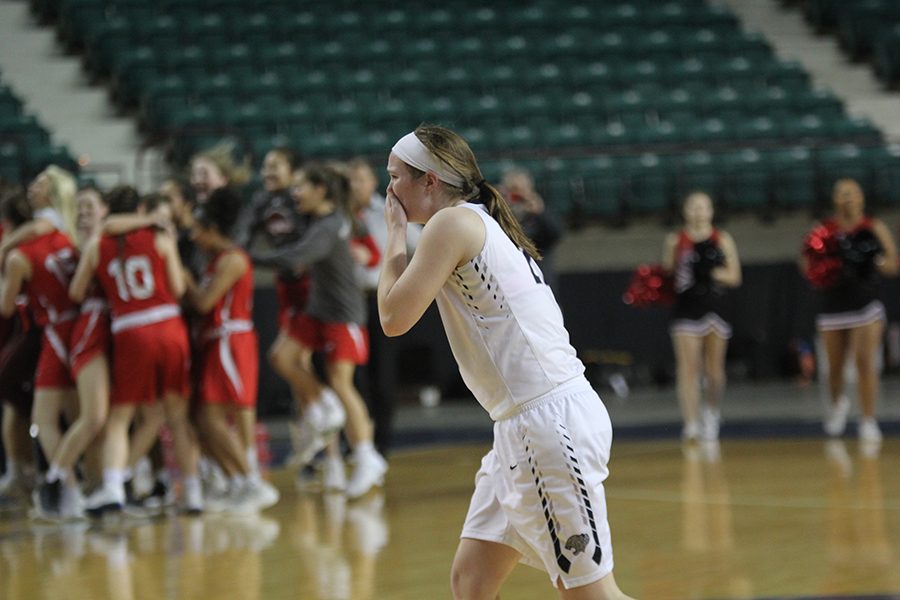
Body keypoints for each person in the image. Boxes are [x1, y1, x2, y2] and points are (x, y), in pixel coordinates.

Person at [378, 125, 635, 599]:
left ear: (430, 181)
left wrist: (393, 233)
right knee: (471, 581)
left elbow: (393, 316)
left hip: (546, 427)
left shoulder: (451, 224)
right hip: (524, 427)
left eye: (396, 177)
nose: (388, 189)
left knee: (593, 595)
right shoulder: (477, 219)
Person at [251, 163, 386, 499]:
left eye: (301, 187)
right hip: (317, 310)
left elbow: (296, 256)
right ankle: (324, 404)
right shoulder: (325, 219)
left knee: (342, 382)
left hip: (343, 314)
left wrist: (247, 256)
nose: (294, 193)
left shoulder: (330, 225)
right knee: (282, 357)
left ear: (320, 190)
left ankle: (367, 457)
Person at [69, 188, 202, 515]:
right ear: (140, 209)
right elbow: (179, 288)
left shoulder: (97, 246)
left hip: (130, 329)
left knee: (120, 418)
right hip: (169, 326)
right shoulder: (159, 237)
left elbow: (76, 292)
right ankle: (194, 493)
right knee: (177, 418)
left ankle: (112, 488)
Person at [184, 187, 279, 512]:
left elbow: (204, 302)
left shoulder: (234, 260)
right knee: (201, 419)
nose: (193, 237)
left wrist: (182, 279)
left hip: (229, 342)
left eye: (198, 230)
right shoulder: (216, 260)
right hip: (214, 341)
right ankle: (237, 482)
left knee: (211, 417)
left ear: (212, 230)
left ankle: (250, 481)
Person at [0, 190, 82, 518]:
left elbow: (6, 307)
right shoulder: (61, 235)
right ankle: (99, 484)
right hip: (84, 323)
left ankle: (68, 490)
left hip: (55, 331)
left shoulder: (19, 257)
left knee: (46, 418)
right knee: (84, 417)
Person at [800, 179, 898, 442]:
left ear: (862, 198)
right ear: (835, 200)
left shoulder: (873, 227)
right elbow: (806, 265)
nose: (849, 198)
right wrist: (829, 266)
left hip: (866, 306)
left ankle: (868, 419)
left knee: (865, 363)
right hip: (833, 306)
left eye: (854, 193)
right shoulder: (824, 231)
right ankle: (838, 405)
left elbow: (892, 265)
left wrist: (870, 258)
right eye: (843, 194)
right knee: (834, 368)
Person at [662, 191, 742, 442]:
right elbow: (667, 274)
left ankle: (711, 411)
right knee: (688, 368)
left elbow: (735, 277)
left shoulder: (722, 239)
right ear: (685, 211)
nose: (698, 212)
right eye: (693, 207)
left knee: (714, 370)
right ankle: (691, 423)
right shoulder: (675, 240)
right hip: (686, 307)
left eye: (703, 207)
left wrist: (711, 272)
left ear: (711, 211)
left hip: (714, 305)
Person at [500, 167, 565, 292]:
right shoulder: (502, 215)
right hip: (512, 283)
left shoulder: (539, 213)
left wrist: (540, 213)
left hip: (541, 280)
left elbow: (556, 233)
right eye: (513, 191)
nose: (518, 196)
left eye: (521, 190)